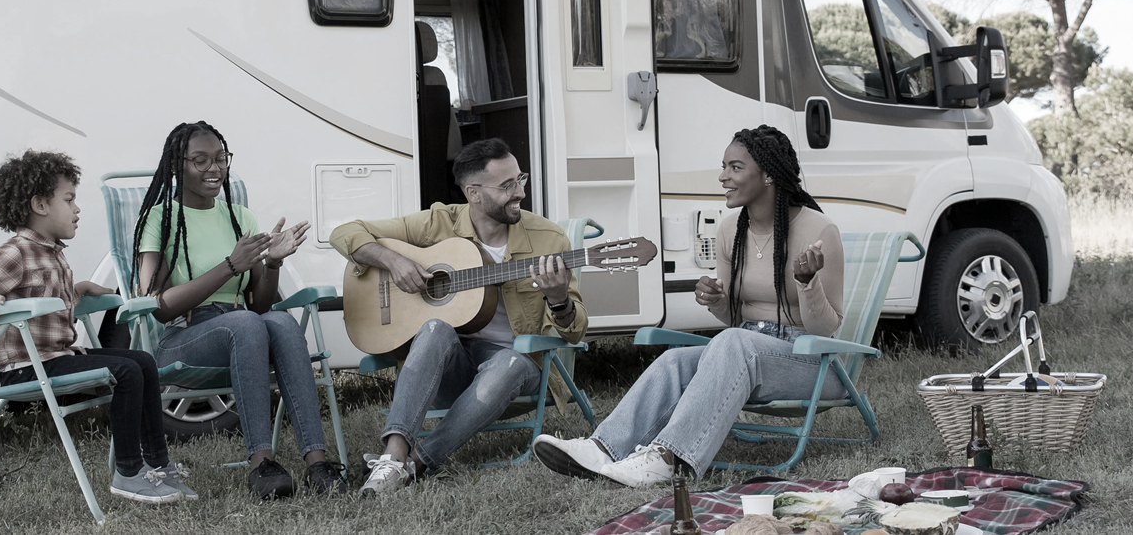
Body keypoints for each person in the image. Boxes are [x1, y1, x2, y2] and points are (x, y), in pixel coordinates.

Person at [532, 125, 846, 487]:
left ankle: (667, 458)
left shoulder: (818, 231)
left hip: (812, 362)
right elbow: (735, 322)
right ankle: (602, 448)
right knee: (675, 361)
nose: (723, 176)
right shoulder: (731, 230)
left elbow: (826, 329)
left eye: (735, 167)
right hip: (748, 350)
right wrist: (717, 301)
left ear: (769, 175)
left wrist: (807, 282)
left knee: (733, 343)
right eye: (724, 167)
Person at [329, 138, 589, 497]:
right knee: (435, 326)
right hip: (449, 367)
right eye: (507, 185)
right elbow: (343, 233)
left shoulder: (548, 239)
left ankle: (417, 463)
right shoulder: (439, 223)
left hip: (514, 367)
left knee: (511, 363)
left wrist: (559, 301)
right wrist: (393, 261)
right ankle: (393, 456)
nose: (520, 193)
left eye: (520, 179)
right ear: (474, 193)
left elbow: (575, 332)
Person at [0, 149, 194, 504]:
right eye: (69, 199)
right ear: (40, 205)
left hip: (56, 357)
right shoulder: (17, 252)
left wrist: (76, 291)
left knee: (142, 361)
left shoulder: (53, 252)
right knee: (127, 371)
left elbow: (40, 298)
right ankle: (129, 472)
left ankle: (158, 465)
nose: (77, 209)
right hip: (26, 367)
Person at [133, 121, 348, 498]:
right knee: (247, 323)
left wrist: (273, 262)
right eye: (200, 160)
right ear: (177, 166)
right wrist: (229, 266)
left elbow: (260, 303)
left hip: (242, 327)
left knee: (280, 321)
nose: (214, 168)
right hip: (184, 337)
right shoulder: (160, 218)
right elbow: (159, 306)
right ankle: (261, 465)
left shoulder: (240, 217)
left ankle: (317, 464)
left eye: (221, 158)